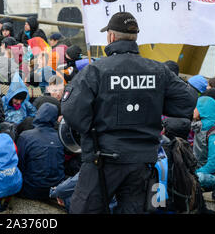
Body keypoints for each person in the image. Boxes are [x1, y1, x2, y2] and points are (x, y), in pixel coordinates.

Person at [61, 12, 198, 214]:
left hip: (103, 157)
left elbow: (71, 111)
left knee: (86, 209)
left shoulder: (96, 70)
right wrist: (153, 103)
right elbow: (187, 101)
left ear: (111, 37)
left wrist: (92, 128)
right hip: (142, 159)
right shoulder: (157, 70)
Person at [17, 103, 65, 200]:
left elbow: (20, 163)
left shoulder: (25, 136)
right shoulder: (60, 137)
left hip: (31, 189)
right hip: (55, 189)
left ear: (38, 114)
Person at [192, 96, 215, 191]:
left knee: (199, 177)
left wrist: (193, 173)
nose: (194, 110)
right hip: (199, 168)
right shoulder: (199, 127)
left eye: (196, 107)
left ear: (202, 110)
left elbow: (213, 165)